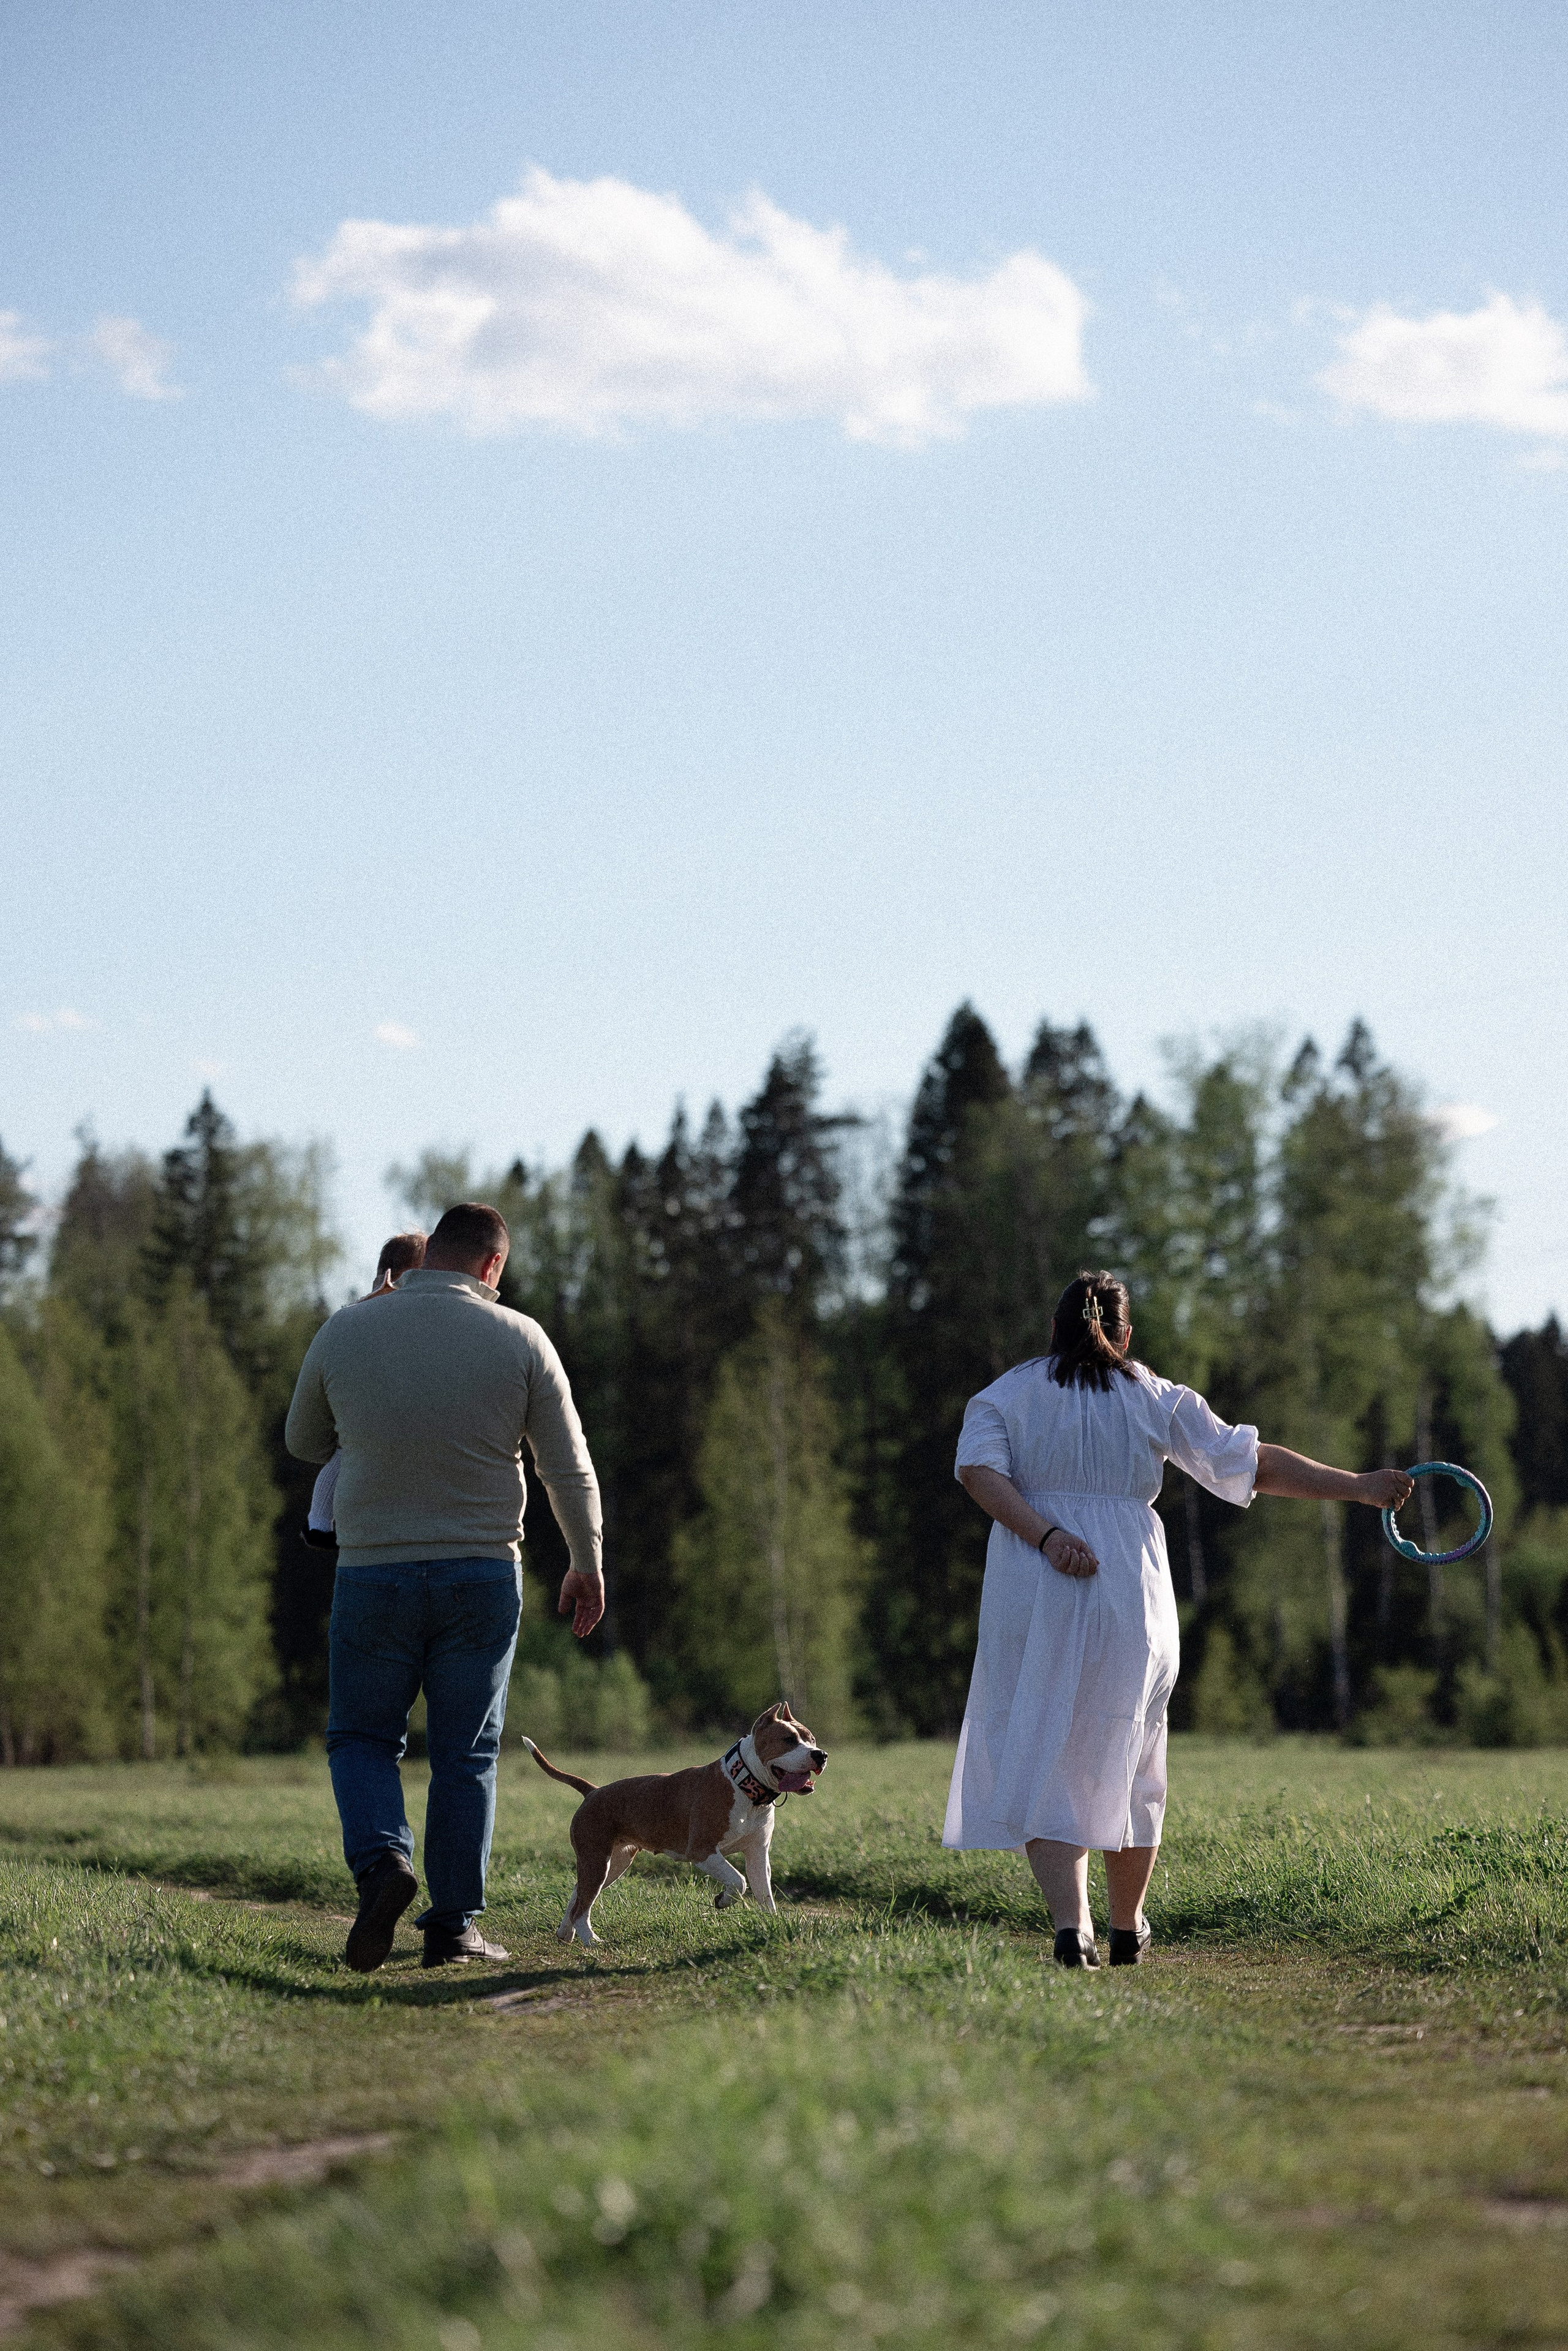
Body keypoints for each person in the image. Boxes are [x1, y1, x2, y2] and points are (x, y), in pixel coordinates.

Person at [943, 1268, 1413, 1969]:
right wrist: (1359, 1487)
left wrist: (1044, 1535)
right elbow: (1250, 1465)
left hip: (1038, 1586)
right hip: (1130, 1593)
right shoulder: (1155, 1395)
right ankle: (1128, 1926)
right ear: (1125, 1334)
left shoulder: (1005, 1394)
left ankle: (1073, 1929)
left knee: (1048, 1753)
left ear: (1054, 1329)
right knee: (1133, 1754)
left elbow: (978, 1473)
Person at [285, 1201, 605, 1972]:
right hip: (482, 1573)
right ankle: (452, 1928)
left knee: (362, 1737)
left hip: (372, 1571)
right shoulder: (521, 1337)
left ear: (430, 1255)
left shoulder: (347, 1328)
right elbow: (568, 1466)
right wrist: (586, 1559)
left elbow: (302, 1440)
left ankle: (382, 1865)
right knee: (466, 1753)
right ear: (492, 1265)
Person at [301, 1230, 428, 1550]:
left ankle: (319, 1523)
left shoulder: (349, 1324)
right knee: (345, 1458)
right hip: (387, 1420)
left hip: (364, 1422)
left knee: (344, 1457)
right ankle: (319, 1522)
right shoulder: (411, 1313)